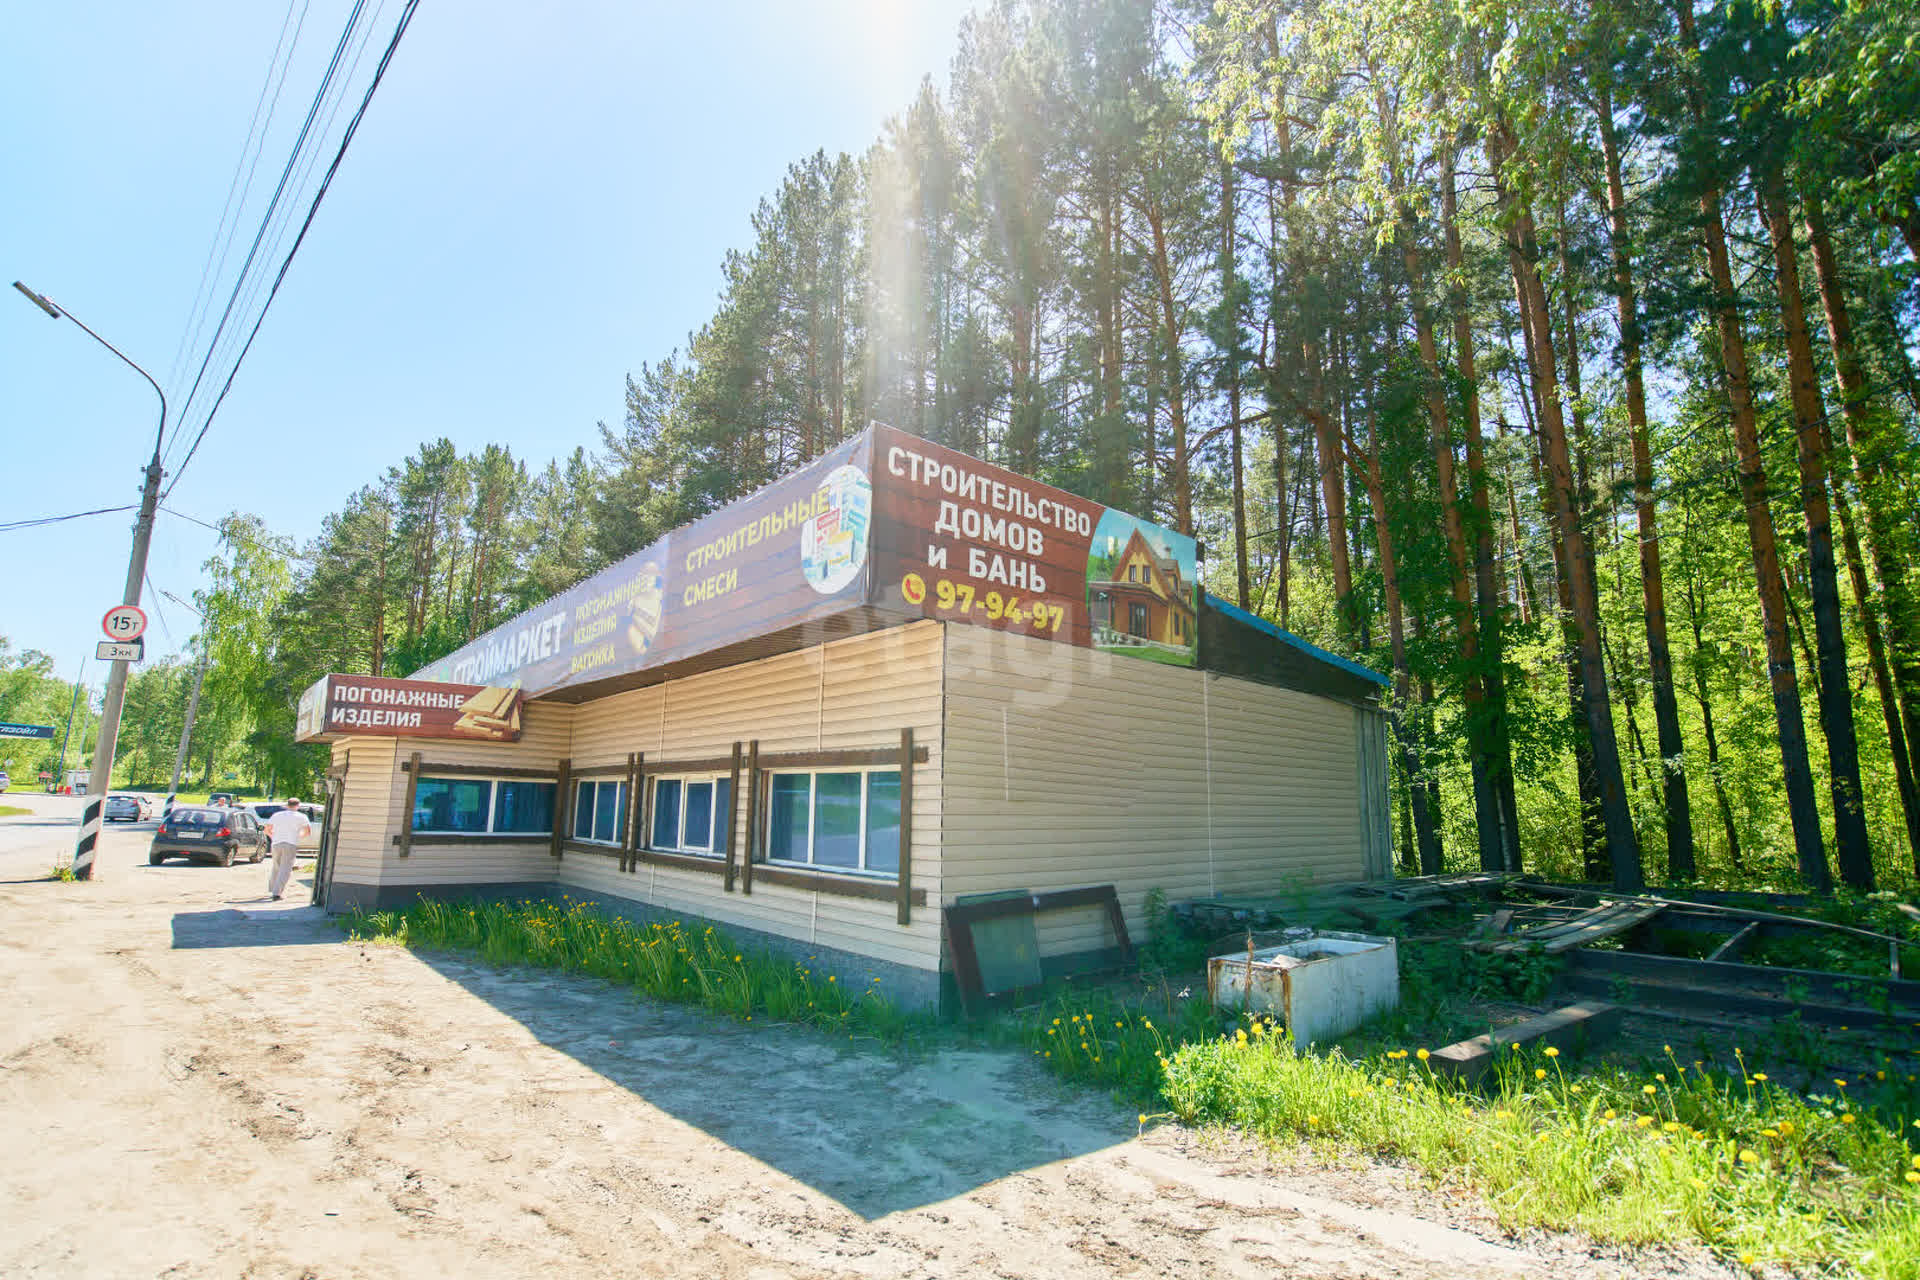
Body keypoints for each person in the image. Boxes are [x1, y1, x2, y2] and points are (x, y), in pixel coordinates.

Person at [262, 798, 312, 901]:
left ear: (287, 805)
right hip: (291, 843)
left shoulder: (277, 815)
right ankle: (277, 893)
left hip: (276, 843)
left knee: (276, 866)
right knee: (285, 869)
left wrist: (273, 836)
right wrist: (298, 836)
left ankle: (272, 888)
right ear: (298, 806)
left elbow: (267, 830)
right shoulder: (301, 817)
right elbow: (307, 832)